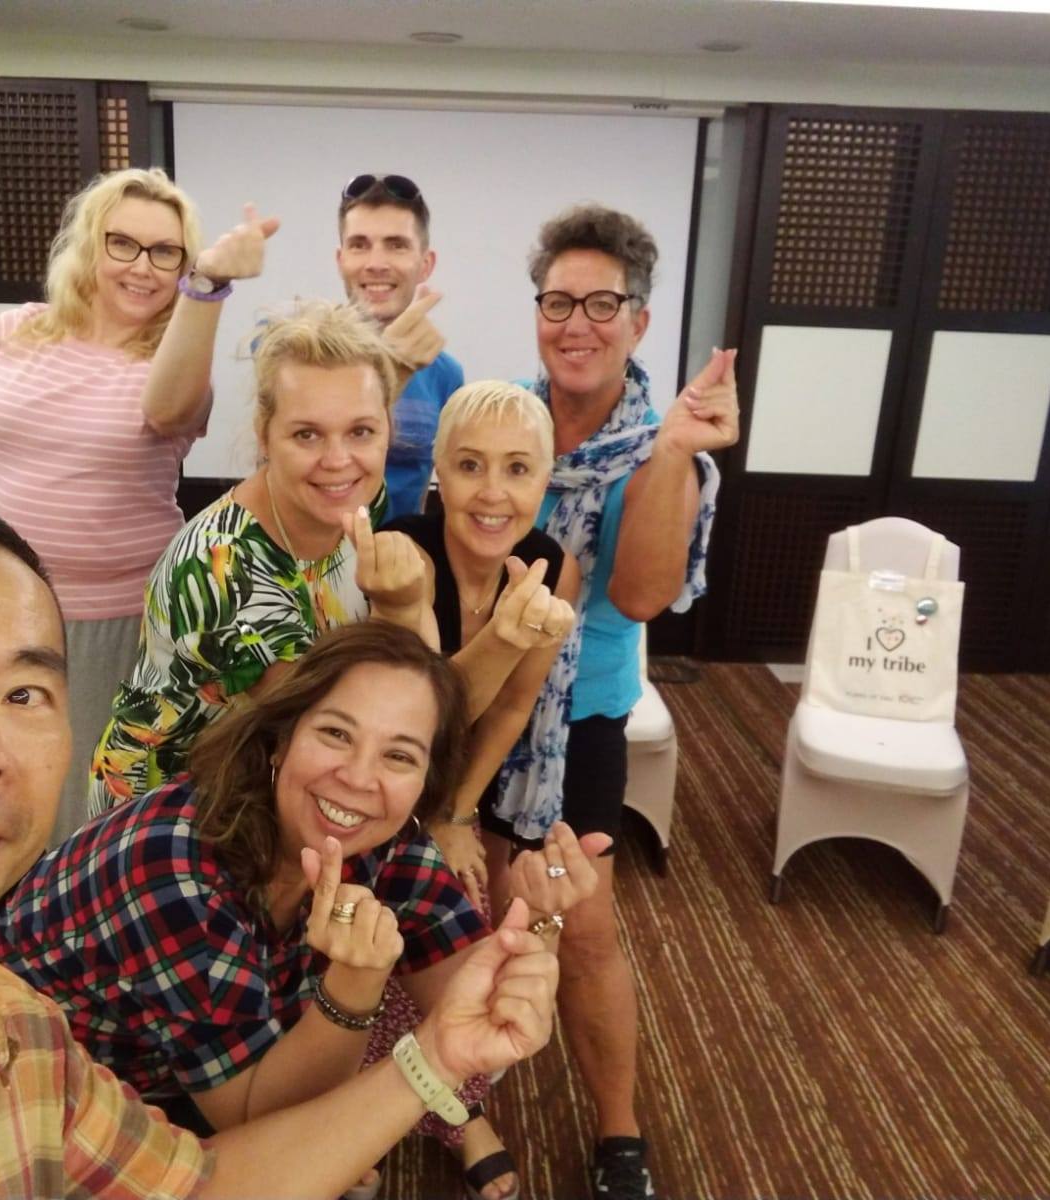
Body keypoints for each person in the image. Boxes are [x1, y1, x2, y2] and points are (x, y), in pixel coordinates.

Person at [0, 495, 562, 1200]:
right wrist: (357, 993)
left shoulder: (29, 1051)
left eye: (23, 694)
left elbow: (202, 1184)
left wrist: (457, 1035)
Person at [0, 621, 605, 1196]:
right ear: (280, 740)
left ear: (426, 780)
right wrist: (356, 983)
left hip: (199, 1050)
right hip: (55, 1098)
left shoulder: (388, 839)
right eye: (336, 733)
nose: (359, 778)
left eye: (399, 756)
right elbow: (264, 1124)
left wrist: (536, 920)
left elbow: (485, 1009)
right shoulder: (172, 878)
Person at [88, 299, 570, 816]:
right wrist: (488, 635)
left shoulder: (353, 503)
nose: (338, 461)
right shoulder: (225, 569)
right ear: (265, 435)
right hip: (171, 814)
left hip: (265, 792)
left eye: (361, 431)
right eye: (307, 434)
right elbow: (380, 729)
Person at [0, 165, 280, 848]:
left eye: (166, 252)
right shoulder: (12, 332)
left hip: (116, 621)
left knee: (85, 805)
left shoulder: (176, 358)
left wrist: (208, 286)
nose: (142, 267)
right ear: (91, 244)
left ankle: (67, 913)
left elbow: (169, 409)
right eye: (123, 243)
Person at [506, 205, 741, 1200]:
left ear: (639, 322)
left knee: (584, 926)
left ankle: (619, 1133)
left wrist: (672, 452)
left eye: (602, 304)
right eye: (558, 302)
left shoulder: (666, 452)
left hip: (577, 721)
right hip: (476, 696)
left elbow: (642, 595)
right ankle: (444, 1103)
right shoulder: (503, 422)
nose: (577, 324)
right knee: (453, 906)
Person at [382, 380, 582, 1200]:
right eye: (470, 466)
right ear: (438, 470)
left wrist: (457, 813)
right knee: (377, 942)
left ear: (545, 479)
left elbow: (509, 709)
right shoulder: (403, 554)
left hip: (461, 786)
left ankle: (457, 1113)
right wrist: (431, 820)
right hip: (376, 774)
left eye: (517, 468)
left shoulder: (552, 564)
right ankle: (367, 1111)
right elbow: (413, 715)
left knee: (471, 942)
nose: (492, 492)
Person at [336, 172, 464, 521]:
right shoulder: (300, 357)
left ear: (425, 265)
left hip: (404, 550)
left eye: (396, 245)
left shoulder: (445, 374)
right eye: (359, 245)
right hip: (316, 551)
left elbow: (434, 485)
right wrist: (390, 370)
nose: (376, 263)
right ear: (341, 260)